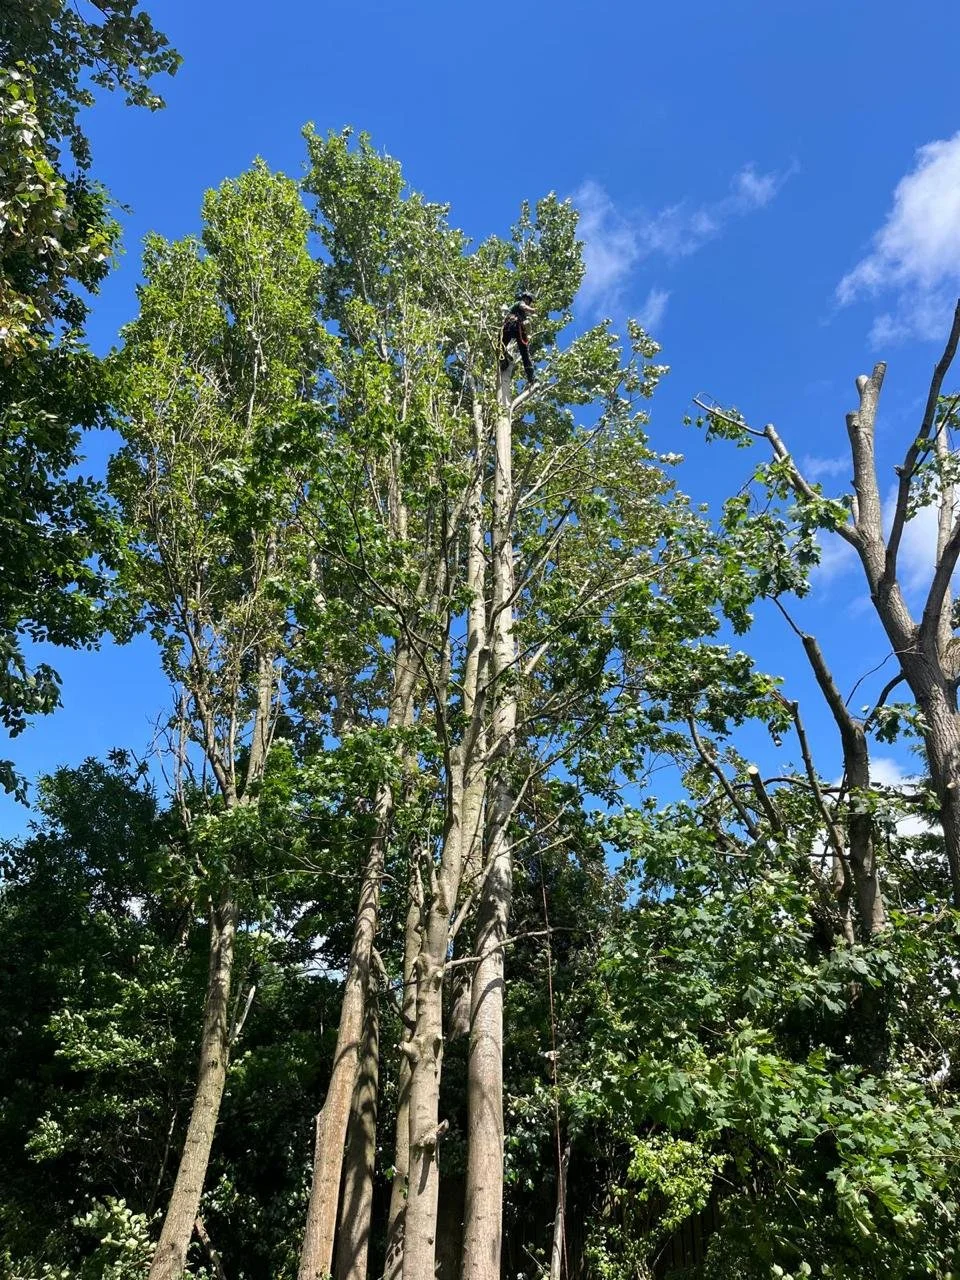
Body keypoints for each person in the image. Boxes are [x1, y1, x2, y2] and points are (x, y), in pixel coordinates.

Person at [499, 291, 537, 386]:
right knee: (501, 344)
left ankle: (530, 376)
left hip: (518, 329)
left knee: (524, 354)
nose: (527, 302)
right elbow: (523, 306)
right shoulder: (520, 303)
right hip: (512, 326)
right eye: (527, 300)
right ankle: (503, 360)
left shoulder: (523, 314)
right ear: (524, 298)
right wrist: (532, 310)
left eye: (528, 301)